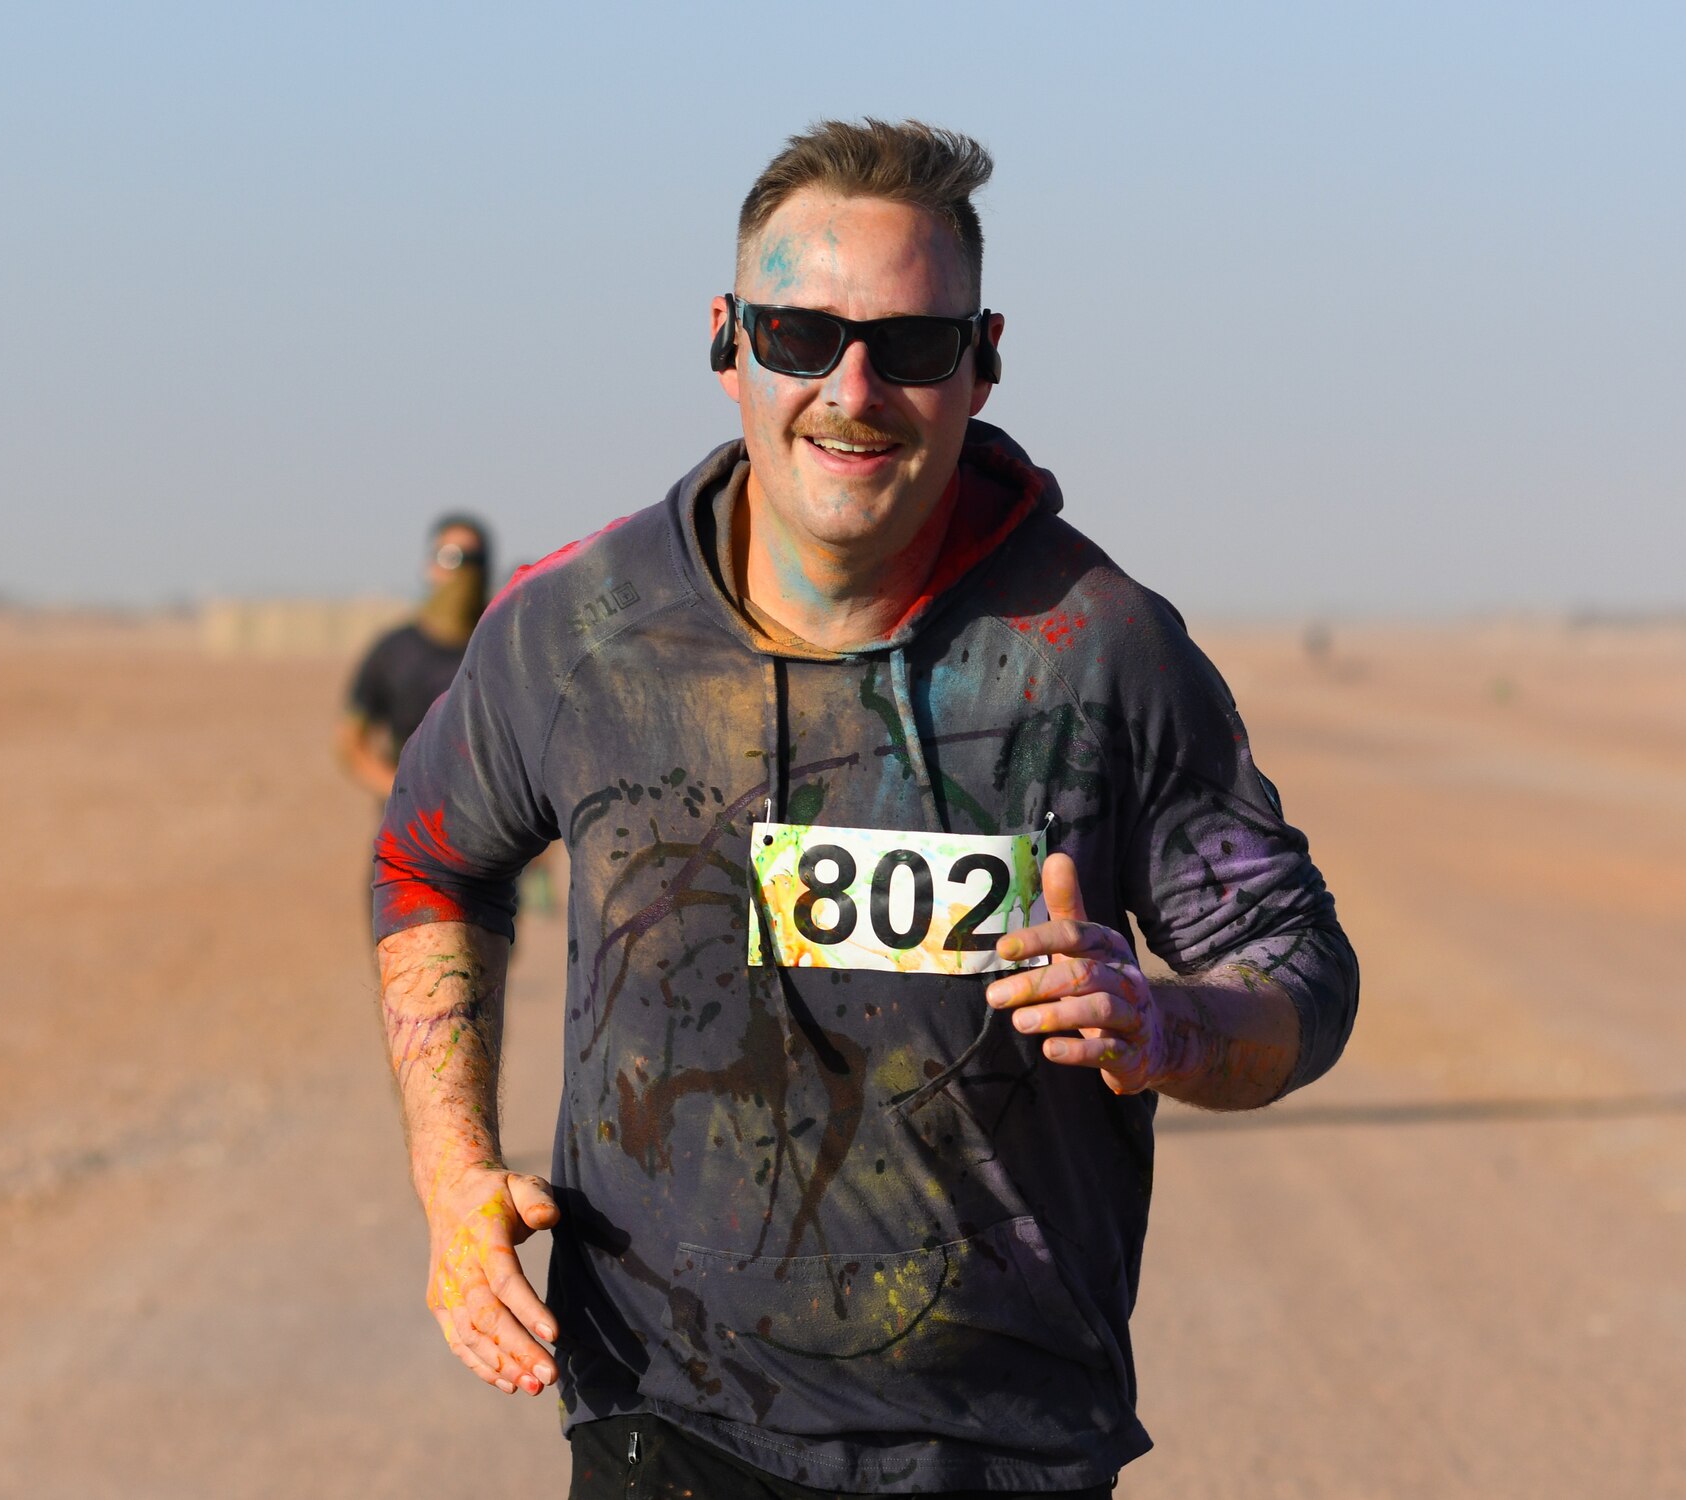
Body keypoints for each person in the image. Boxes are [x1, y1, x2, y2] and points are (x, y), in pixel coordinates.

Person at [372, 119, 1359, 1499]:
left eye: (908, 346)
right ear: (725, 340)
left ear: (982, 360)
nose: (852, 389)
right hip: (666, 1415)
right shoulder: (577, 632)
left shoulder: (1100, 648)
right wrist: (450, 1172)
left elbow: (1303, 971)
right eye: (797, 335)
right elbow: (428, 861)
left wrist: (1169, 1019)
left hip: (1004, 1439)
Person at [335, 514, 491, 800]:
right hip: (408, 833)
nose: (463, 571)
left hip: (497, 834)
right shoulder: (395, 651)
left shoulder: (501, 648)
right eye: (451, 557)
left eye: (474, 560)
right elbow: (351, 744)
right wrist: (404, 791)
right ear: (429, 566)